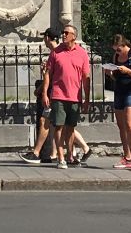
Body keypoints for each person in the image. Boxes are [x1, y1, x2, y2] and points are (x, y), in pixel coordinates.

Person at [40, 24, 90, 171]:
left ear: (74, 36)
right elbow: (48, 73)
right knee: (59, 126)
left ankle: (70, 156)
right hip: (58, 94)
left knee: (71, 128)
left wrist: (87, 99)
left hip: (74, 96)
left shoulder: (82, 53)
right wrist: (45, 93)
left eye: (66, 33)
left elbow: (86, 77)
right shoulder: (56, 52)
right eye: (62, 32)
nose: (63, 35)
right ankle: (61, 157)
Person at [21, 29, 62, 164]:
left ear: (48, 38)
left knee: (46, 121)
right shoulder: (57, 52)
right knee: (57, 124)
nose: (43, 40)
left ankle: (37, 153)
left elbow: (51, 76)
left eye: (44, 37)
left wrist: (41, 91)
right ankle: (55, 154)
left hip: (53, 92)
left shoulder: (56, 53)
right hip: (56, 92)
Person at [110, 33, 131, 170]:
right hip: (119, 91)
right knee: (121, 126)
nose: (117, 52)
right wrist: (110, 73)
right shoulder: (116, 57)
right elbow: (115, 77)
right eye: (115, 50)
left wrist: (128, 70)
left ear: (124, 45)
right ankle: (127, 156)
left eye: (118, 49)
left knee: (130, 125)